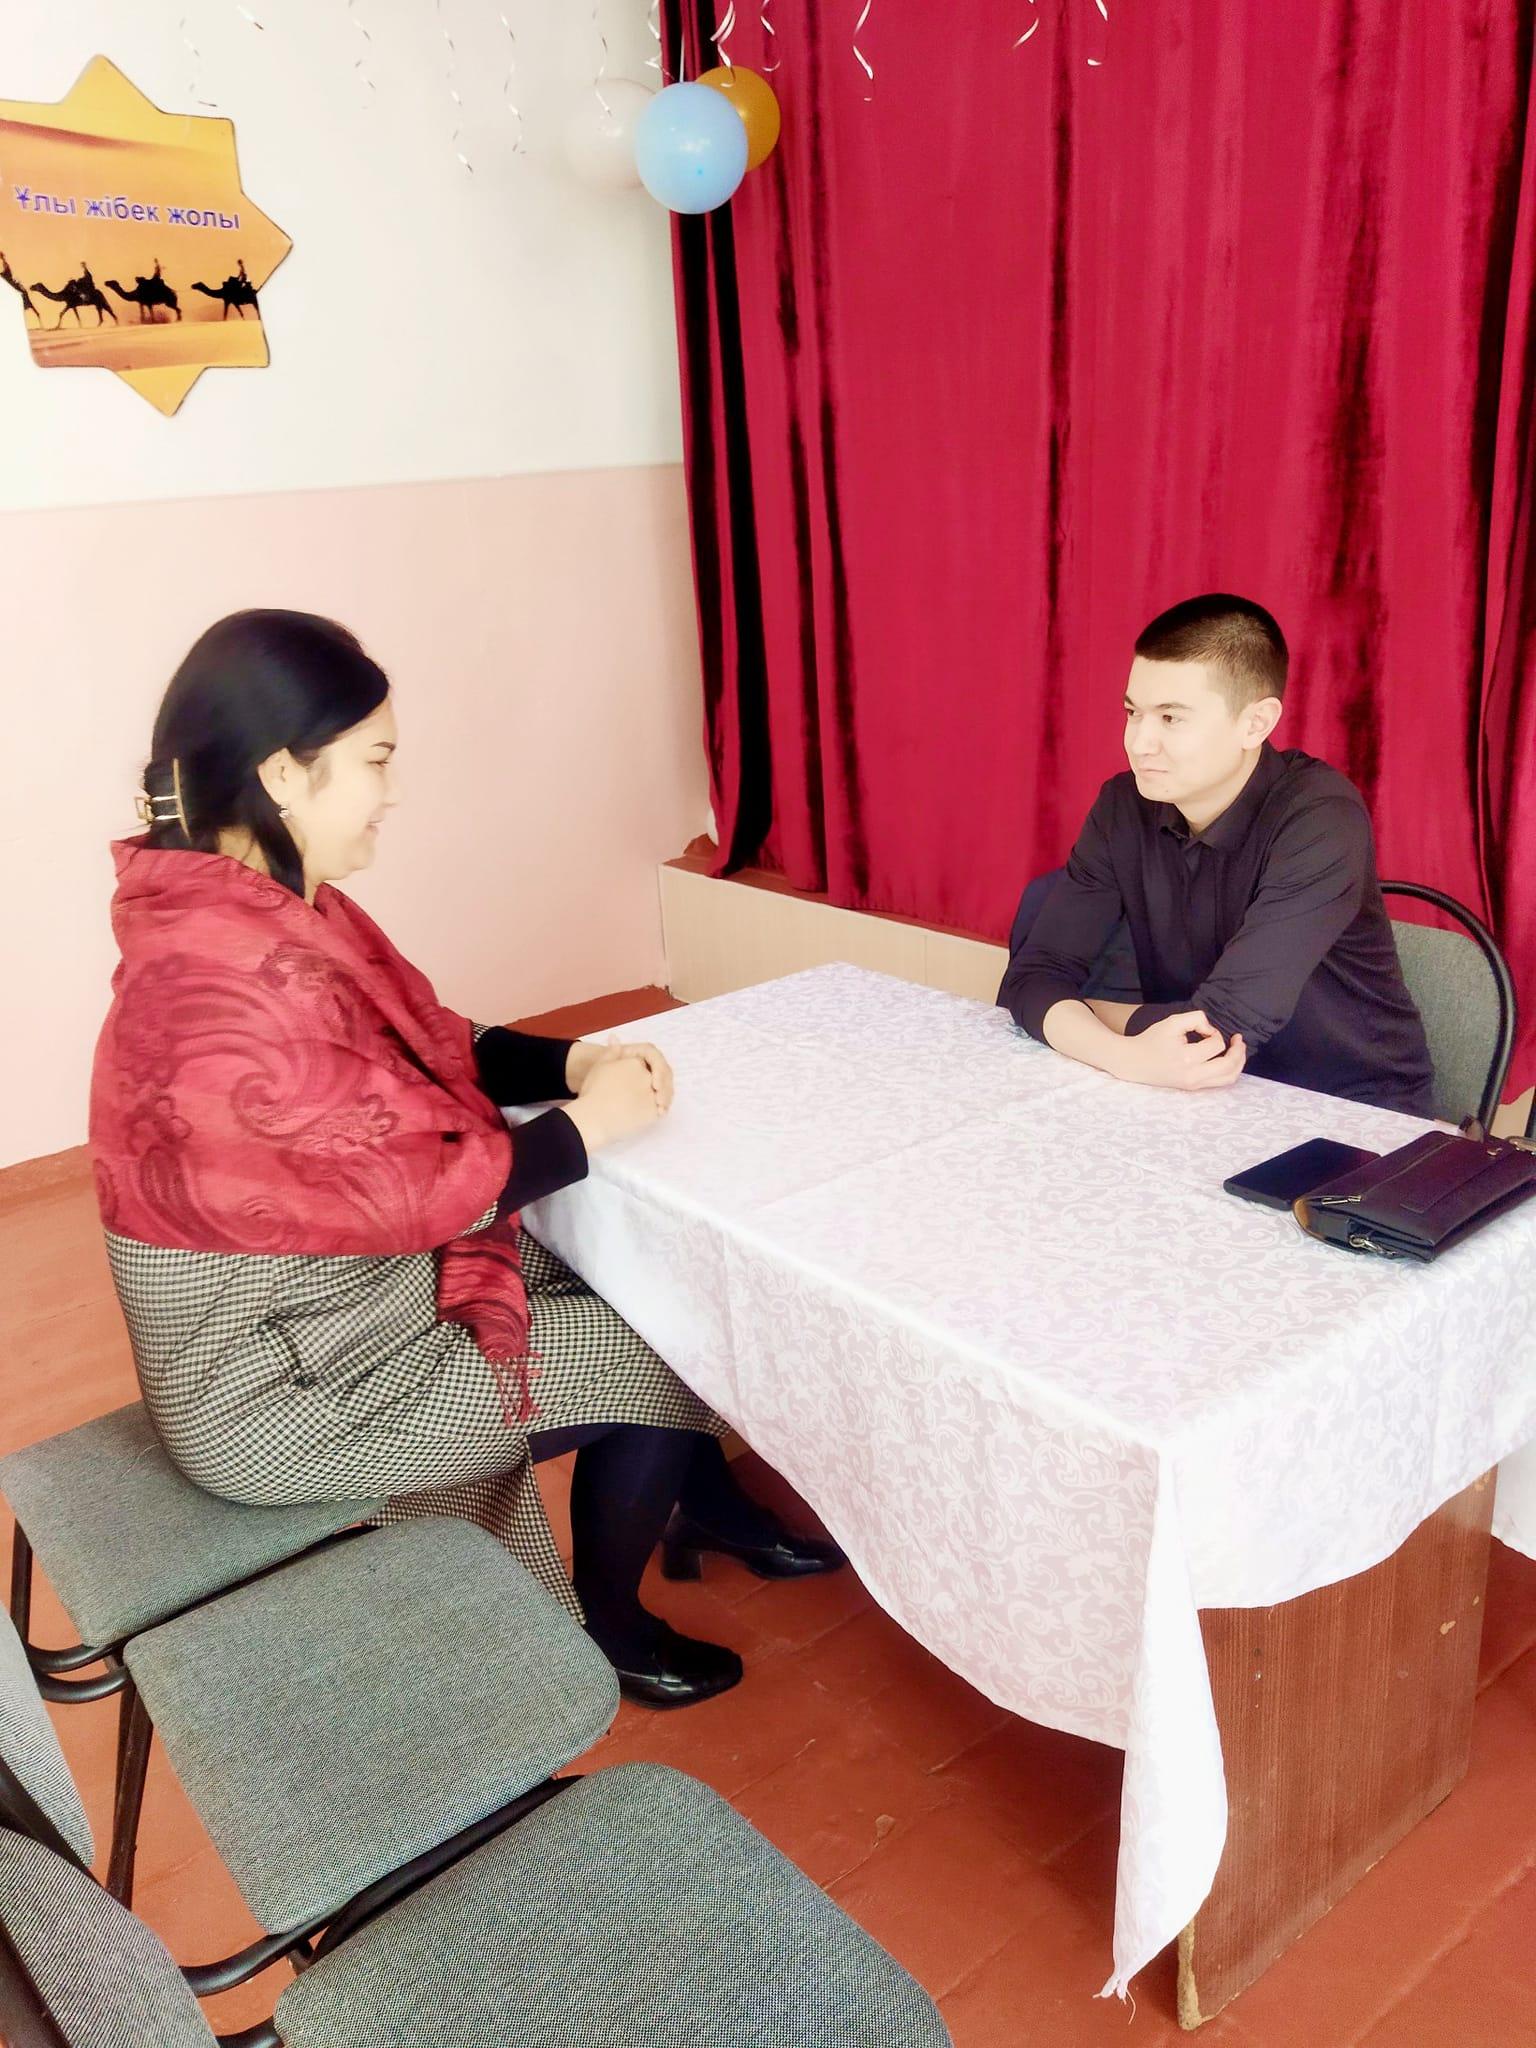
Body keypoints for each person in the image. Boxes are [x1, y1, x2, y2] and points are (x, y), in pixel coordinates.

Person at [91, 611, 841, 1712]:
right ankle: (606, 1626)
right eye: (376, 761)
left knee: (642, 1268)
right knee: (667, 1341)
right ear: (285, 774)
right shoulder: (237, 978)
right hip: (277, 1390)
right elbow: (411, 1192)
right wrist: (588, 1126)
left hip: (324, 1306)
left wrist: (573, 1059)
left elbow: (430, 1039)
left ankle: (705, 1504)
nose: (392, 792)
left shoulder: (244, 907)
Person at [998, 594, 1433, 1114]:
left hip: (1355, 1111)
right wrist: (1121, 1054)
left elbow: (1214, 1033)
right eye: (1133, 713)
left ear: (1256, 723)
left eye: (1171, 718)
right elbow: (1030, 979)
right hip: (1199, 1097)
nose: (1139, 743)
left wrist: (1087, 1012)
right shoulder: (1124, 804)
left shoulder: (1321, 816)